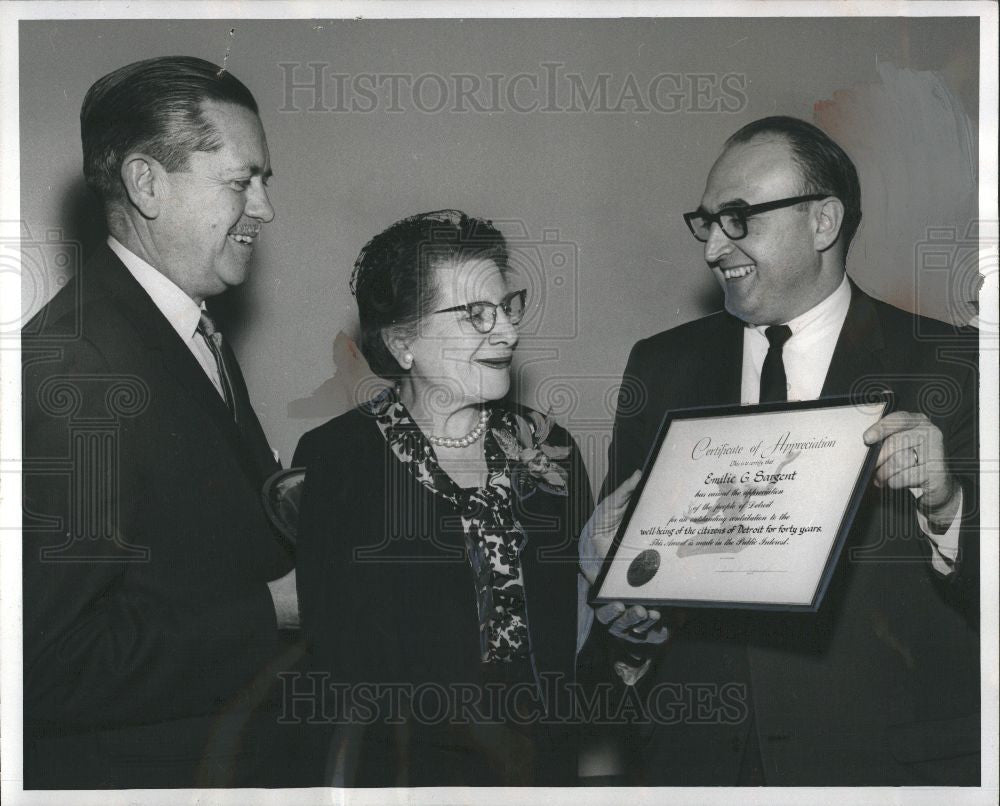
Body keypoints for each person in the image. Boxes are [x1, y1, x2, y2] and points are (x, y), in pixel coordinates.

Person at [591, 116, 979, 785]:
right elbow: (631, 583)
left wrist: (949, 506)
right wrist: (623, 613)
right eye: (707, 221)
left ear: (822, 222)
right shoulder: (660, 367)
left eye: (738, 219)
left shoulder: (952, 365)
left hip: (883, 772)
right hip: (696, 767)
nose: (714, 247)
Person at [21, 56, 304, 788]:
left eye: (264, 182)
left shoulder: (180, 330)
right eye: (243, 181)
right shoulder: (79, 369)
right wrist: (269, 610)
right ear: (148, 184)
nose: (266, 209)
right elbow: (45, 666)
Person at [293, 210, 613, 786]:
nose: (509, 333)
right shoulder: (337, 459)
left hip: (544, 773)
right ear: (402, 340)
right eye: (474, 315)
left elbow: (575, 648)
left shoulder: (548, 446)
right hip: (405, 778)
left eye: (507, 308)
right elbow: (332, 667)